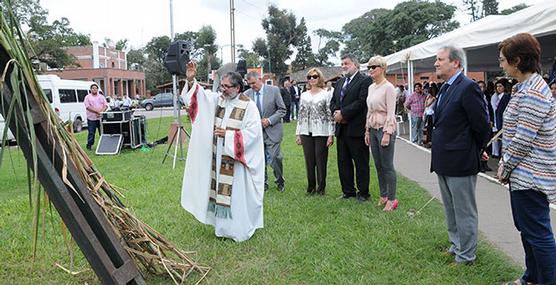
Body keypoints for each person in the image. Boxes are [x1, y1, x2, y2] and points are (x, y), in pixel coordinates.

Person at [179, 62, 265, 242]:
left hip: (236, 162)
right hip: (219, 157)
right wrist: (191, 79)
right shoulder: (219, 100)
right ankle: (222, 229)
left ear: (238, 87)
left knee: (236, 196)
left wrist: (229, 135)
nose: (223, 90)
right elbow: (200, 97)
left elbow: (253, 134)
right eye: (222, 86)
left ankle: (239, 230)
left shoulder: (249, 107)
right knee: (221, 191)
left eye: (227, 87)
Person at [497, 33, 556, 285]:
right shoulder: (525, 88)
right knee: (528, 232)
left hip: (531, 176)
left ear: (517, 60)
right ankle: (531, 277)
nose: (501, 64)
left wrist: (504, 166)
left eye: (503, 60)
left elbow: (522, 140)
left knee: (539, 235)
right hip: (523, 176)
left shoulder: (533, 92)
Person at [430, 45, 490, 265]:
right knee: (451, 209)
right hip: (444, 159)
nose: (436, 63)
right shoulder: (446, 87)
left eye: (440, 59)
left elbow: (482, 126)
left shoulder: (468, 87)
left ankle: (466, 256)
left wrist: (475, 150)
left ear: (455, 63)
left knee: (464, 210)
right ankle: (456, 245)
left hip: (461, 160)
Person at [330, 54, 372, 201]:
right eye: (342, 63)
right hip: (341, 129)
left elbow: (361, 102)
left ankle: (363, 192)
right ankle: (348, 191)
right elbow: (334, 101)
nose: (343, 66)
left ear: (355, 64)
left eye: (346, 63)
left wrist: (344, 114)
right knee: (343, 162)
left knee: (360, 162)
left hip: (356, 128)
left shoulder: (365, 80)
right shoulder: (340, 82)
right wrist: (336, 112)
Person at [364, 56, 398, 211]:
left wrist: (387, 133)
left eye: (374, 67)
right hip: (372, 128)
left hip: (385, 129)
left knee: (387, 165)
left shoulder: (389, 87)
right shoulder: (371, 87)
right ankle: (383, 195)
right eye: (369, 67)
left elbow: (391, 112)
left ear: (383, 68)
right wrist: (366, 130)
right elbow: (369, 111)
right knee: (378, 165)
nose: (371, 70)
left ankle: (392, 198)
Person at [245, 71, 287, 192]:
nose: (252, 86)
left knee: (275, 158)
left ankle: (280, 181)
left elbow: (282, 110)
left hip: (272, 131)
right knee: (259, 159)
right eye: (249, 84)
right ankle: (263, 184)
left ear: (260, 79)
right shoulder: (246, 95)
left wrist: (269, 120)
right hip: (255, 133)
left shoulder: (274, 90)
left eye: (253, 83)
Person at [295, 68, 334, 195]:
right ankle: (311, 187)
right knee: (309, 160)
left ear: (319, 78)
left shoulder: (326, 94)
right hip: (306, 131)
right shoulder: (304, 94)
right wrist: (298, 133)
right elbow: (300, 115)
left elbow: (330, 115)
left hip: (321, 131)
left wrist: (330, 134)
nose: (312, 79)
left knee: (321, 160)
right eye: (309, 77)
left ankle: (321, 188)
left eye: (315, 76)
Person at [84, 83, 108, 150]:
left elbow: (105, 105)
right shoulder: (87, 97)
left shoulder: (101, 97)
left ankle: (104, 144)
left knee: (102, 132)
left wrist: (101, 112)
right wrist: (97, 112)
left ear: (97, 89)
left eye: (95, 88)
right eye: (93, 88)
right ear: (90, 89)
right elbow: (88, 107)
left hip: (100, 118)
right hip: (91, 118)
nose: (94, 89)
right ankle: (89, 145)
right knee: (91, 132)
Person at [490, 79, 510, 158]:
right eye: (497, 86)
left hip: (503, 123)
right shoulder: (496, 96)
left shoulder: (506, 97)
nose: (498, 88)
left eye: (500, 86)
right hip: (497, 122)